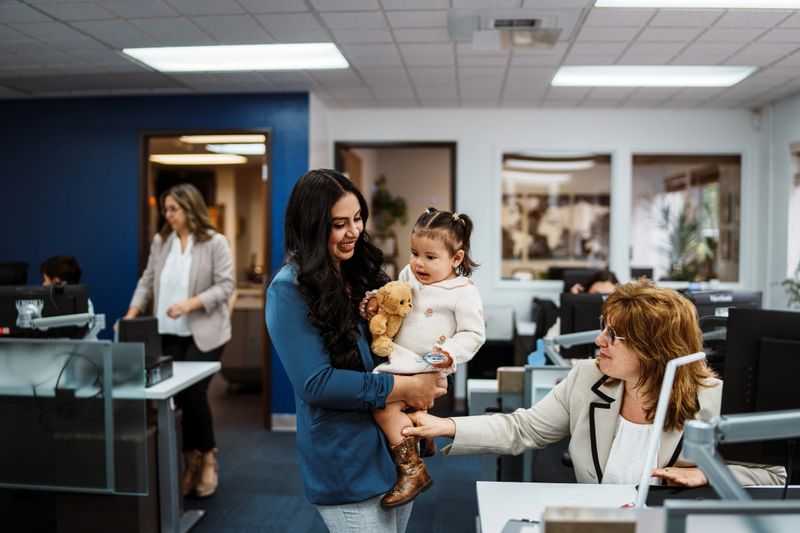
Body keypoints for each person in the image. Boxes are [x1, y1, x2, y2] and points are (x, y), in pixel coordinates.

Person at [404, 279, 785, 488]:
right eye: (604, 329)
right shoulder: (587, 377)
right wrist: (447, 425)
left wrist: (706, 474)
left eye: (614, 335)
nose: (599, 341)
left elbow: (773, 475)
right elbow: (524, 428)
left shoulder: (715, 400)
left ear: (655, 348)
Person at [265, 169, 447, 533]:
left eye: (358, 218)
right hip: (346, 457)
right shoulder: (288, 290)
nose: (354, 232)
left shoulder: (362, 275)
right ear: (312, 226)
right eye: (339, 224)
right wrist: (405, 389)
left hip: (393, 449)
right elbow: (316, 383)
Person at [367, 207, 485, 508]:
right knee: (390, 398)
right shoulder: (409, 274)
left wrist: (448, 354)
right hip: (400, 355)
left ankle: (413, 470)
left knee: (382, 408)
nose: (419, 263)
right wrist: (375, 302)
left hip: (427, 363)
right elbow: (395, 297)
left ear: (455, 259)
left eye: (430, 257)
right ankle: (422, 433)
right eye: (414, 253)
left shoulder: (463, 291)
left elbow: (474, 334)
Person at [124, 183, 233, 499]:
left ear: (190, 208)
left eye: (174, 209)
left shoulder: (214, 242)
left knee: (194, 392)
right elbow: (146, 281)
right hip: (169, 332)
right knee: (179, 396)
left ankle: (208, 458)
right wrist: (131, 315)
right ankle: (190, 460)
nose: (167, 215)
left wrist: (191, 303)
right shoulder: (162, 241)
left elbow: (226, 286)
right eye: (165, 209)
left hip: (206, 332)